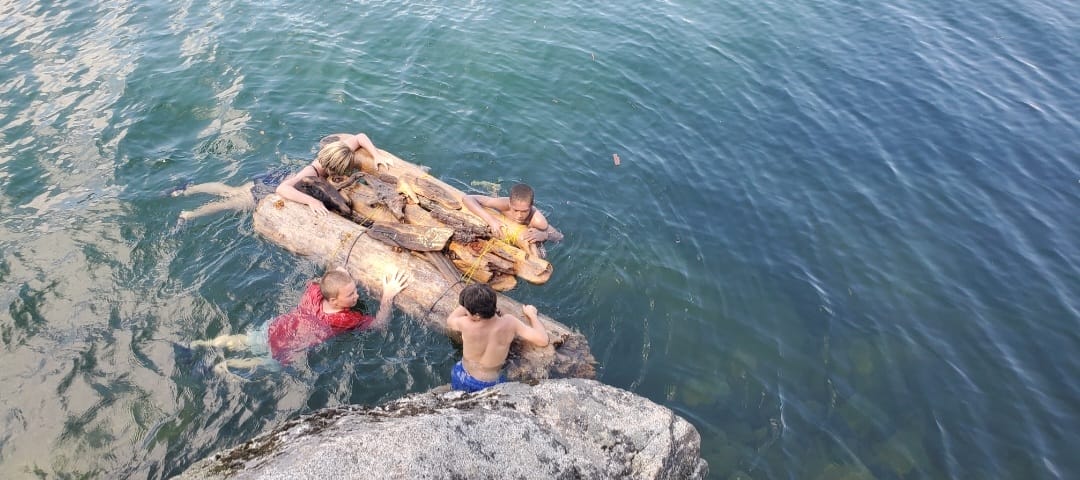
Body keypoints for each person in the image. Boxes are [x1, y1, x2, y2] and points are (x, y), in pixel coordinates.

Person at [191, 266, 409, 374]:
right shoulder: (343, 319)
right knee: (259, 362)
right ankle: (223, 366)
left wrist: (337, 272)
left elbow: (317, 281)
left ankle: (202, 345)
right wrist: (388, 296)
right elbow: (381, 325)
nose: (357, 296)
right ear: (334, 300)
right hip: (286, 348)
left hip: (275, 328)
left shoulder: (314, 293)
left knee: (243, 340)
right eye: (351, 294)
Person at [172, 132, 392, 221]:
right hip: (274, 187)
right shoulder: (311, 172)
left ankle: (189, 189)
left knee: (232, 189)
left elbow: (360, 136)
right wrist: (312, 200)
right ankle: (189, 214)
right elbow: (283, 190)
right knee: (232, 203)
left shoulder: (335, 152)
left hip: (274, 175)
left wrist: (377, 155)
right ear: (334, 167)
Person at [445, 283, 549, 392]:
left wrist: (467, 305)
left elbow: (450, 320)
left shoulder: (466, 324)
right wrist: (532, 315)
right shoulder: (510, 323)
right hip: (491, 385)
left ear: (476, 315)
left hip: (463, 376)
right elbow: (543, 340)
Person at [461, 183, 563, 258]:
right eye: (516, 210)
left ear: (531, 207)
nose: (519, 215)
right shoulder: (504, 204)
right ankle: (493, 187)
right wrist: (491, 220)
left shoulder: (538, 221)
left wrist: (544, 235)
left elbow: (559, 237)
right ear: (510, 204)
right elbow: (468, 198)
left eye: (524, 211)